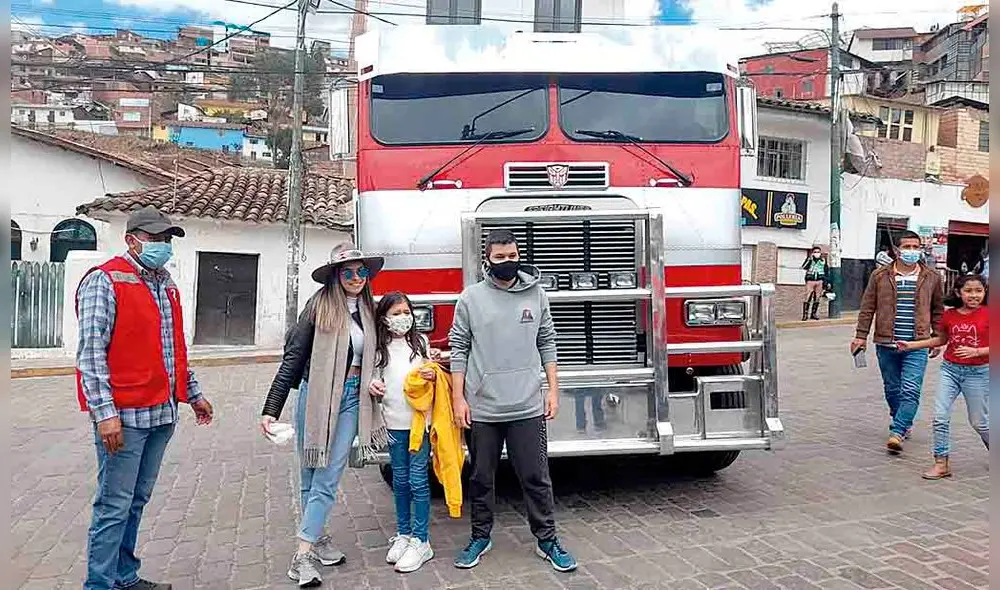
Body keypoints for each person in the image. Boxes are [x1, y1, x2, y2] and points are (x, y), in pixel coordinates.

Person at [76, 205, 214, 590]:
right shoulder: (104, 281)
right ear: (131, 240)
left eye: (167, 239)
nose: (163, 246)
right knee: (113, 506)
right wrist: (105, 415)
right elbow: (91, 353)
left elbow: (171, 349)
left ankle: (124, 576)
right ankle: (99, 584)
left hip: (161, 414)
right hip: (125, 417)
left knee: (135, 502)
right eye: (156, 239)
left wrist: (193, 393)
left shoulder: (165, 283)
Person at [448, 229, 577, 573]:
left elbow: (547, 341)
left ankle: (547, 540)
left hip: (527, 405)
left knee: (536, 477)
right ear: (487, 259)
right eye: (500, 257)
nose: (508, 262)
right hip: (482, 407)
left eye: (513, 256)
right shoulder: (470, 299)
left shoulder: (537, 295)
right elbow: (458, 349)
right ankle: (480, 536)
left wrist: (553, 389)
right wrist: (458, 399)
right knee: (480, 478)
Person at [259, 244, 385, 587]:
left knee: (327, 477)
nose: (356, 278)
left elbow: (378, 354)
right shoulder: (318, 308)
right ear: (335, 275)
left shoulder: (369, 311)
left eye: (361, 272)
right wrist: (271, 408)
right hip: (315, 399)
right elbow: (292, 360)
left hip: (350, 400)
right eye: (348, 272)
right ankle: (313, 543)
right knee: (311, 478)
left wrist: (375, 378)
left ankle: (304, 549)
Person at [851, 230, 944, 455]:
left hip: (917, 344)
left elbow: (937, 310)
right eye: (907, 247)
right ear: (896, 250)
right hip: (886, 342)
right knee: (892, 389)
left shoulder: (931, 277)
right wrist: (860, 336)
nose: (912, 251)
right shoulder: (880, 275)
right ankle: (901, 418)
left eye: (916, 247)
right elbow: (867, 307)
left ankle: (898, 431)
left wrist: (937, 338)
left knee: (911, 390)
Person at [369, 292, 438, 573]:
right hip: (393, 424)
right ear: (384, 318)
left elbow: (431, 375)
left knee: (418, 480)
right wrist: (373, 385)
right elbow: (373, 379)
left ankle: (422, 541)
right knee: (399, 479)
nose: (403, 318)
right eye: (396, 313)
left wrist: (433, 373)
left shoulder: (420, 343)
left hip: (418, 424)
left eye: (406, 311)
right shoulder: (379, 348)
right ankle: (404, 534)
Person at [896, 274, 989, 480]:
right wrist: (911, 345)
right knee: (940, 417)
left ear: (984, 292)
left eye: (978, 291)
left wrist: (978, 352)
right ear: (958, 292)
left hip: (978, 373)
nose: (974, 295)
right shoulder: (950, 315)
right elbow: (941, 340)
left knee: (980, 422)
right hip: (950, 370)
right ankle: (941, 462)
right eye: (968, 291)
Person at [800, 246, 828, 321]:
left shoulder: (823, 260)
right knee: (807, 297)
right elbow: (804, 267)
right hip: (810, 281)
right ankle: (805, 314)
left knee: (817, 297)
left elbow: (826, 270)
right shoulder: (810, 259)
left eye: (818, 252)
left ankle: (813, 314)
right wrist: (809, 259)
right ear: (812, 253)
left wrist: (826, 282)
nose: (817, 253)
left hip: (819, 281)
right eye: (815, 252)